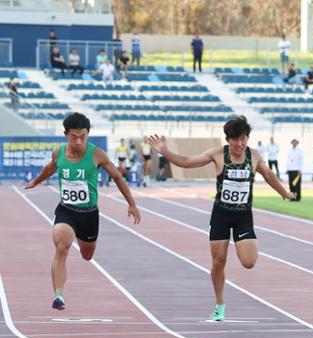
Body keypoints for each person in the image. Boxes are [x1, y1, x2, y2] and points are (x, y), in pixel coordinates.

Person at [146, 116, 295, 321]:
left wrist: (284, 193)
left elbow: (269, 175)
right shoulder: (218, 155)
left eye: (243, 139)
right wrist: (165, 151)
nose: (239, 144)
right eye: (235, 140)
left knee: (249, 262)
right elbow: (188, 163)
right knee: (218, 262)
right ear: (227, 139)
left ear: (247, 138)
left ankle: (241, 245)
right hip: (221, 215)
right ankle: (220, 303)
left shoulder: (254, 156)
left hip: (243, 216)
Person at [24, 113, 141, 310]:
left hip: (89, 214)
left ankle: (83, 246)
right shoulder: (59, 153)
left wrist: (131, 203)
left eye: (83, 136)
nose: (78, 141)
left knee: (87, 255)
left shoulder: (97, 154)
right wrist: (36, 181)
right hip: (66, 210)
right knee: (62, 247)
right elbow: (50, 168)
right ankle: (58, 295)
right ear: (65, 134)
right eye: (74, 137)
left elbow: (118, 178)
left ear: (88, 134)